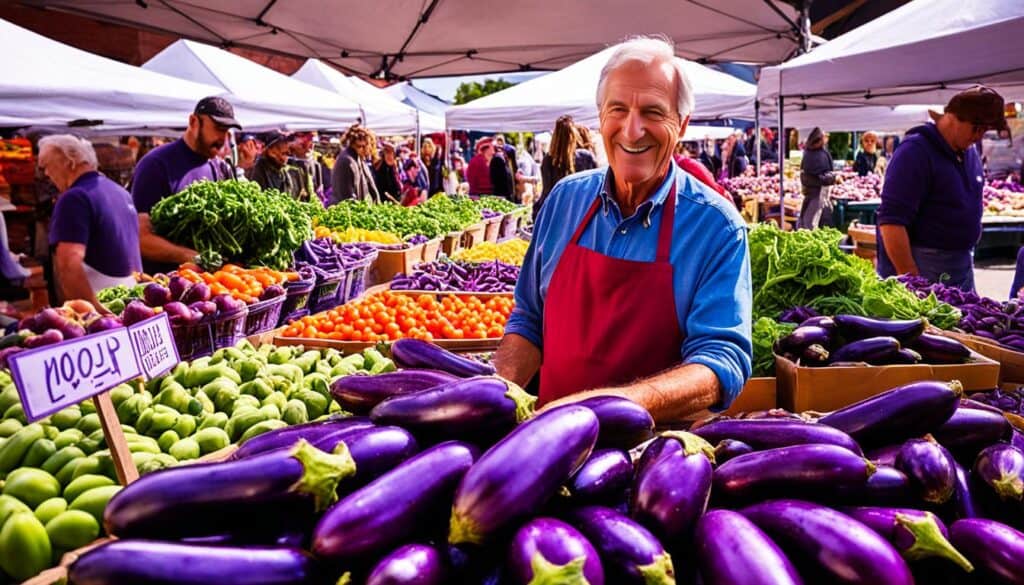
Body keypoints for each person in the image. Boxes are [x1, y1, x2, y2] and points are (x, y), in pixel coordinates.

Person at [494, 36, 752, 423]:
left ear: (680, 125)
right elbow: (529, 319)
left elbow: (720, 362)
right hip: (545, 447)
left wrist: (602, 408)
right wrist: (500, 395)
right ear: (600, 117)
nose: (632, 130)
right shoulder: (564, 201)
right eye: (618, 109)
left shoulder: (717, 227)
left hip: (654, 458)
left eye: (653, 112)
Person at [877, 86, 1009, 291]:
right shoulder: (915, 151)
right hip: (925, 265)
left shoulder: (969, 151)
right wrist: (913, 282)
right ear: (953, 117)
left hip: (962, 265)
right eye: (977, 128)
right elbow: (891, 223)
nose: (979, 136)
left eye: (984, 130)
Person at [131, 96, 241, 274]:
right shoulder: (157, 165)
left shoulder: (218, 167)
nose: (223, 138)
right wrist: (193, 257)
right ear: (193, 121)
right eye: (218, 128)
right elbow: (141, 239)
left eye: (227, 130)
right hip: (168, 288)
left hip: (216, 286)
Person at [38, 135, 141, 307]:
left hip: (102, 304)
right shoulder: (120, 192)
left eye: (47, 166)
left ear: (69, 161)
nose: (47, 174)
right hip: (134, 299)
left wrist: (92, 314)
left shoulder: (74, 198)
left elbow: (69, 263)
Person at [536, 115, 599, 217]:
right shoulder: (586, 157)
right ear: (574, 136)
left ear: (555, 137)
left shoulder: (549, 160)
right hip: (584, 213)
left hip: (559, 214)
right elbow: (598, 187)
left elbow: (547, 192)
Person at [797, 127, 840, 230]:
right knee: (811, 220)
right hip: (817, 190)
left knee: (808, 217)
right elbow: (820, 176)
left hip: (812, 190)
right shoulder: (816, 154)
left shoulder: (812, 152)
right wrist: (834, 178)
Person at [248, 131, 307, 200]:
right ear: (271, 152)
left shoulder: (283, 171)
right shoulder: (258, 171)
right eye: (284, 153)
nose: (287, 157)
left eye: (288, 153)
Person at [329, 124, 379, 205]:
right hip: (345, 213)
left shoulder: (358, 158)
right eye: (361, 146)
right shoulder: (347, 161)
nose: (368, 148)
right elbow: (346, 199)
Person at [290, 132, 328, 202]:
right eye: (303, 145)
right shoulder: (286, 164)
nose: (310, 148)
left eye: (312, 143)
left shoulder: (315, 165)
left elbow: (319, 193)